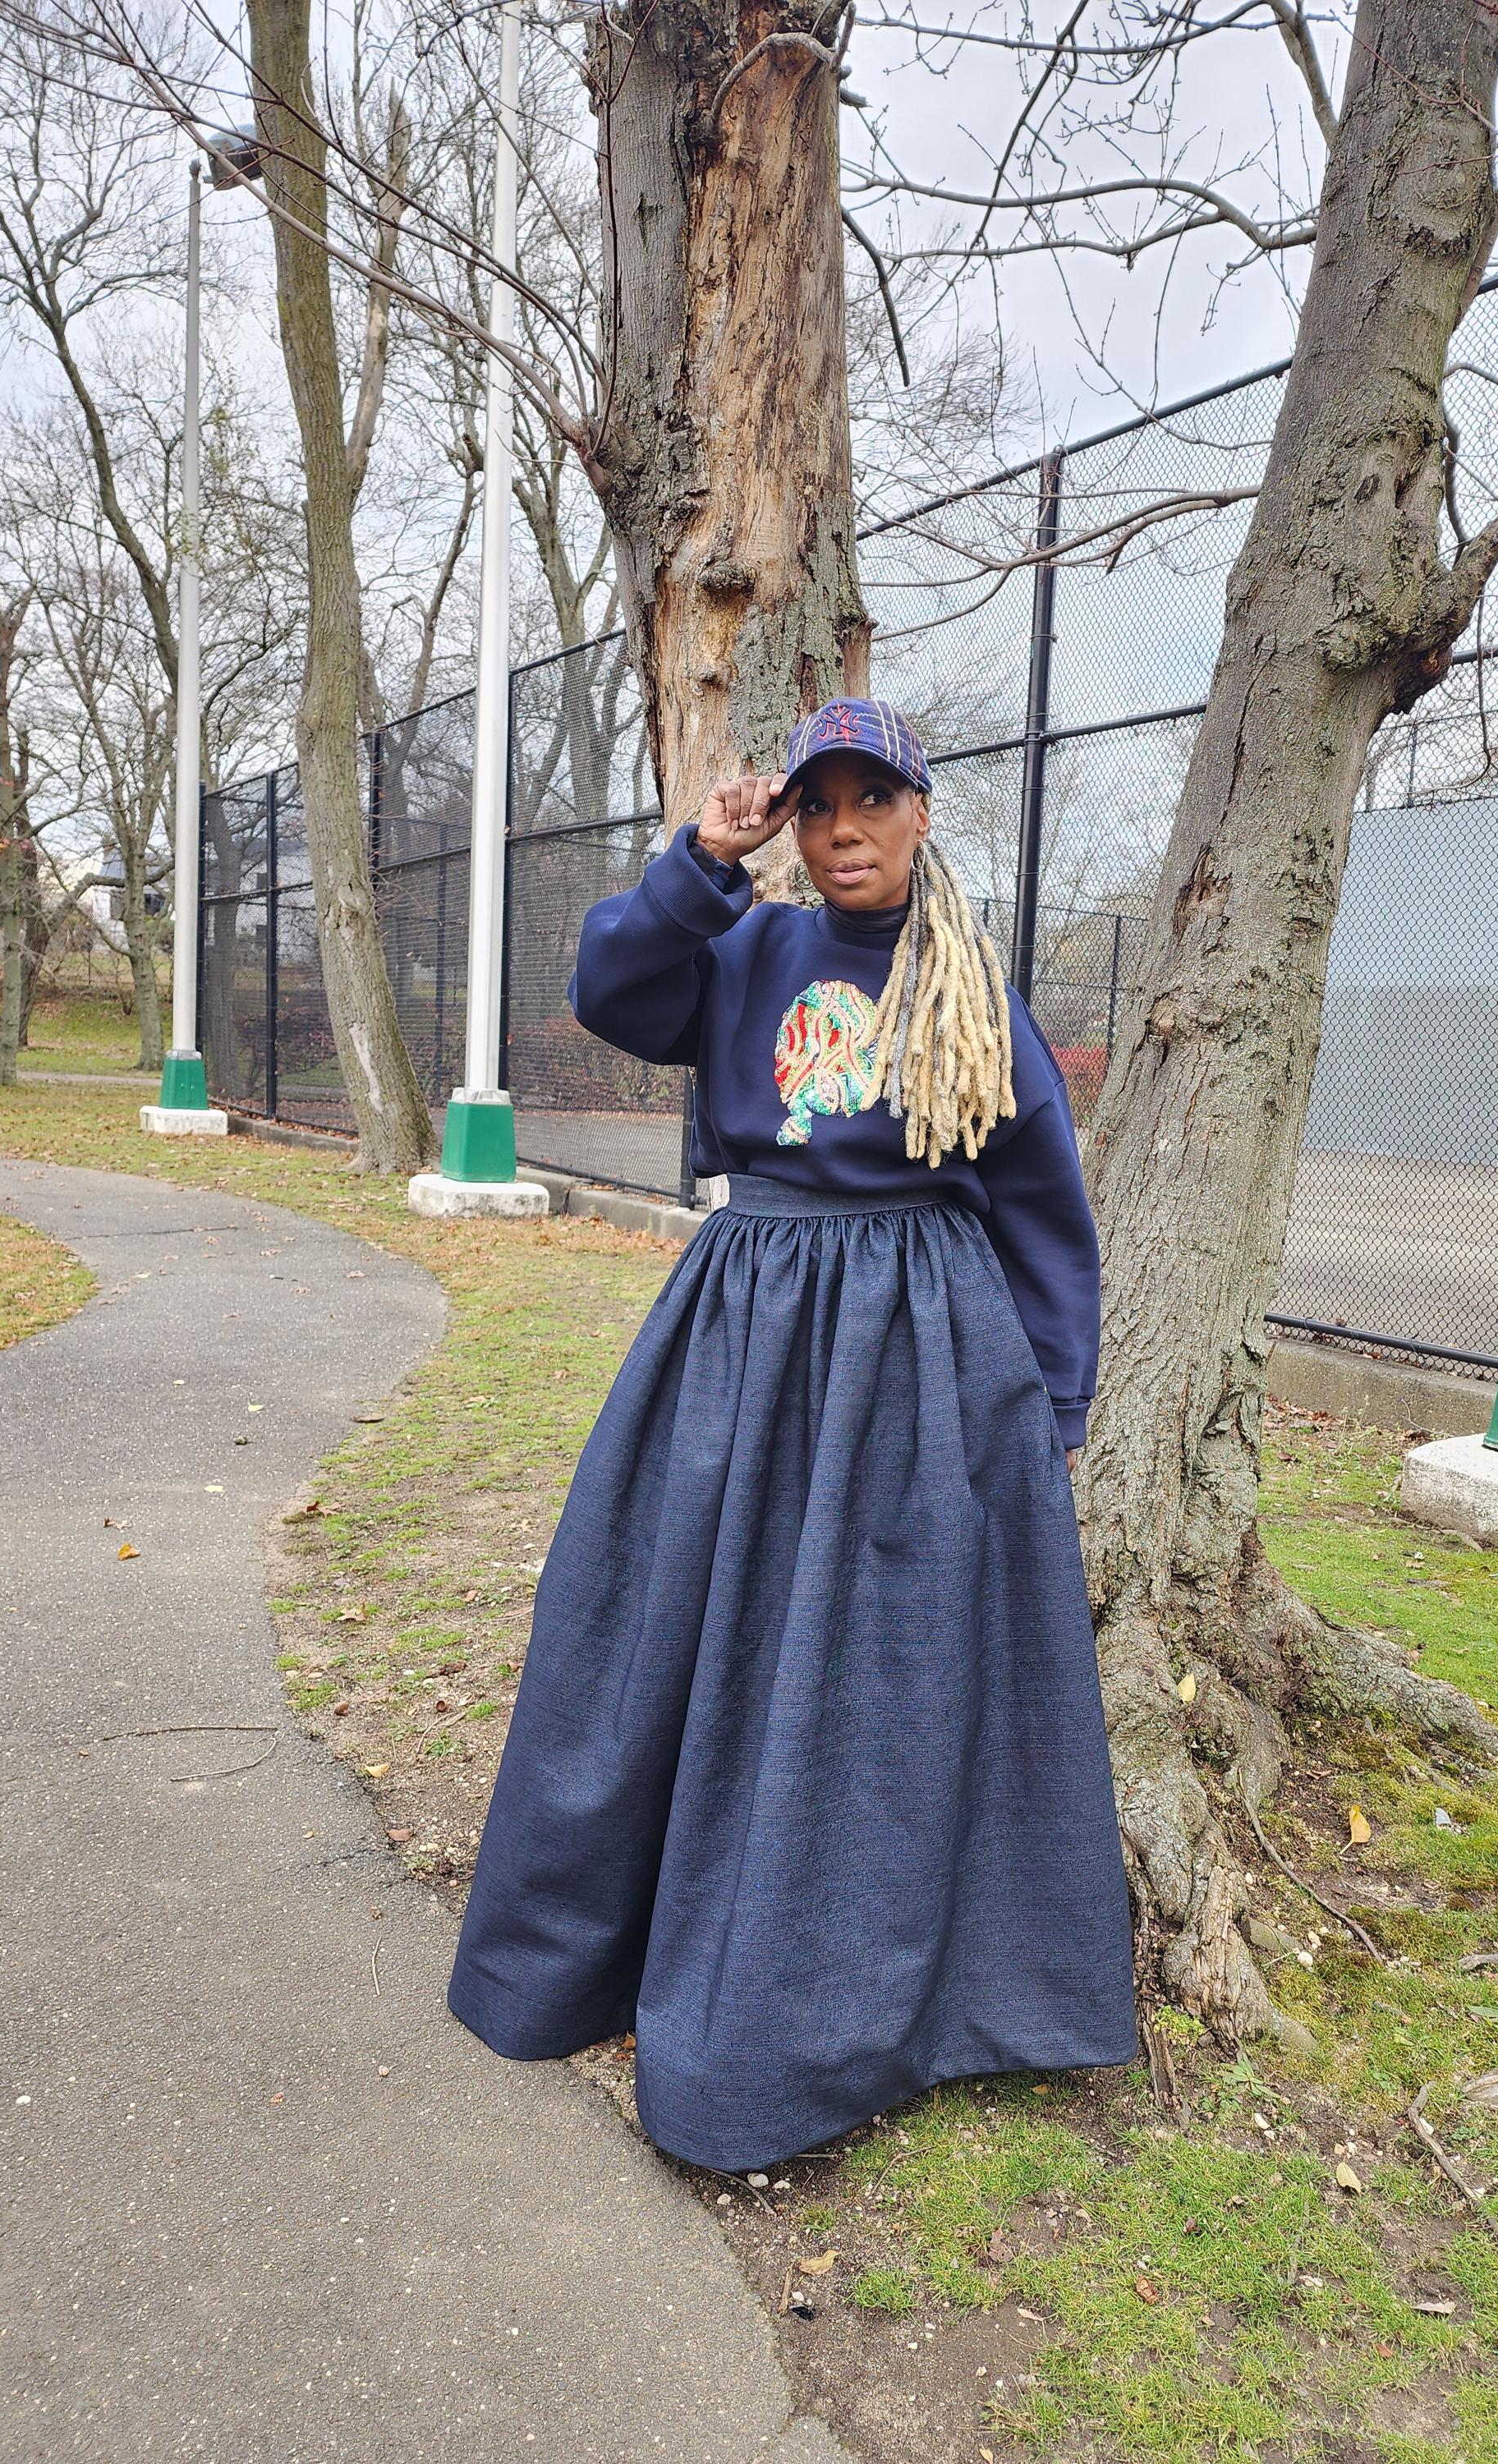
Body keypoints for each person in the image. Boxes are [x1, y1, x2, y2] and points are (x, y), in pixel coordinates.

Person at [447, 696, 1137, 2172]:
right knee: (669, 1617)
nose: (842, 832)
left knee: (875, 1654)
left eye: (870, 803)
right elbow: (611, 995)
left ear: (919, 814)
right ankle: (601, 1942)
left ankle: (878, 1983)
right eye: (817, 806)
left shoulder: (972, 992)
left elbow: (1041, 1214)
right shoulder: (744, 948)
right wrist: (701, 861)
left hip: (916, 1349)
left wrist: (1053, 1402)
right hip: (747, 1320)